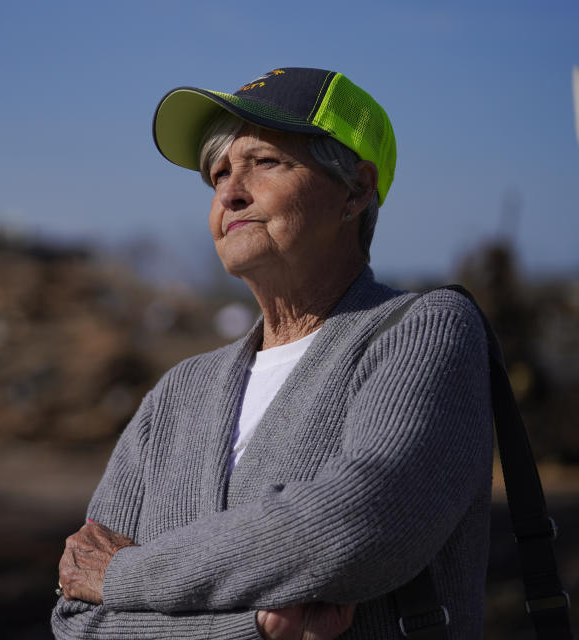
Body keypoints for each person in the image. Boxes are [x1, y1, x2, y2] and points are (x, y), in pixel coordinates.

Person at [51, 67, 493, 639]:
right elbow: (76, 619)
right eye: (218, 173)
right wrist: (250, 629)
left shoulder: (422, 332)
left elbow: (356, 524)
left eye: (264, 163)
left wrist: (125, 576)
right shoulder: (179, 393)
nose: (230, 192)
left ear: (357, 189)